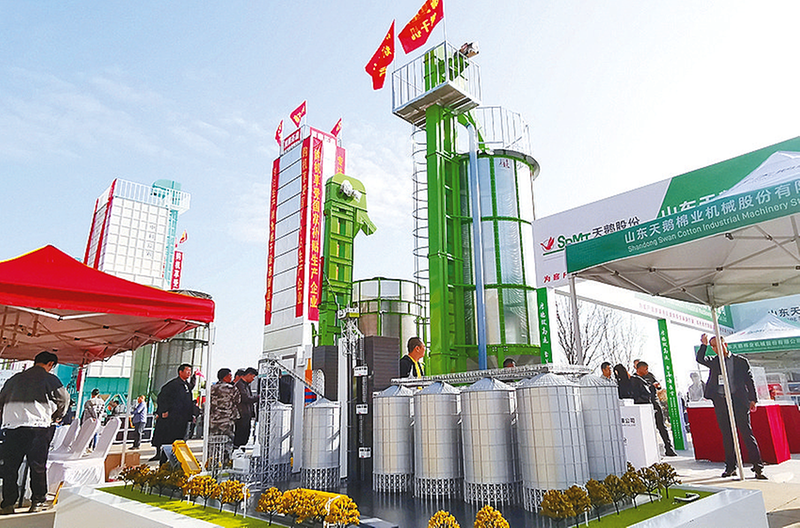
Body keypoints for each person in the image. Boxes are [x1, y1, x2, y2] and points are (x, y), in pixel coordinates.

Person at [0, 351, 70, 514]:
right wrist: (56, 416)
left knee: (10, 468)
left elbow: (1, 400)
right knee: (37, 466)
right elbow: (64, 399)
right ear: (50, 364)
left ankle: (8, 503)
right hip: (38, 427)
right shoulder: (50, 379)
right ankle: (37, 501)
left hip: (12, 427)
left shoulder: (14, 379)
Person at [697, 333, 767, 479]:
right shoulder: (714, 361)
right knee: (727, 435)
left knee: (746, 433)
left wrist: (753, 399)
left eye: (717, 345)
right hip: (721, 402)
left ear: (725, 344)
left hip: (739, 401)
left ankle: (758, 467)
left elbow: (749, 380)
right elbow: (700, 359)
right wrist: (703, 345)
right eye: (712, 346)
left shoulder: (740, 361)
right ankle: (730, 467)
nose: (715, 349)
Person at [630, 361, 678, 457]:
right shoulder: (634, 379)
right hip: (644, 404)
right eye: (645, 369)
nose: (647, 370)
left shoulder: (650, 376)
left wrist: (657, 386)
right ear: (638, 368)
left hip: (654, 401)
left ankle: (668, 447)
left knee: (661, 425)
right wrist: (651, 386)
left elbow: (658, 387)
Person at [150, 363, 194, 462]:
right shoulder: (173, 384)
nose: (189, 373)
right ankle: (164, 460)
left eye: (190, 372)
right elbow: (162, 398)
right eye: (187, 371)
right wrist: (164, 411)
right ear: (180, 372)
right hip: (173, 418)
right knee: (169, 440)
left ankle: (177, 461)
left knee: (181, 440)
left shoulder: (186, 385)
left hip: (183, 418)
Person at [210, 368, 240, 440]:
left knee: (214, 439)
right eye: (230, 375)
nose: (231, 377)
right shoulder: (231, 388)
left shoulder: (212, 388)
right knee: (227, 439)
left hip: (213, 418)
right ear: (225, 377)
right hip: (227, 418)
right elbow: (237, 400)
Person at [234, 367, 258, 448]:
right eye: (253, 377)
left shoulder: (246, 385)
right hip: (241, 415)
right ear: (249, 374)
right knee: (240, 437)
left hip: (247, 415)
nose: (253, 379)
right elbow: (245, 398)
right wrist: (258, 398)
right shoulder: (239, 385)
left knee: (245, 436)